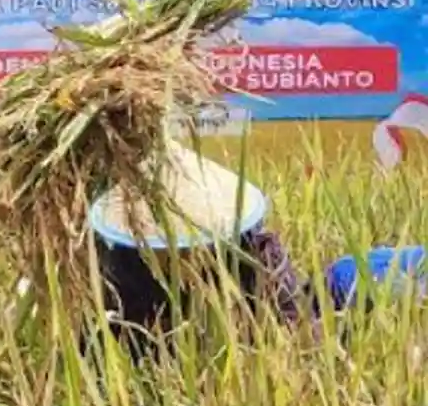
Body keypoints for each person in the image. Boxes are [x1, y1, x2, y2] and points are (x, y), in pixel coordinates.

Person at [88, 140, 307, 356]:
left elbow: (295, 331)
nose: (180, 256)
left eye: (188, 245)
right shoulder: (126, 266)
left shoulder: (258, 257)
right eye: (165, 248)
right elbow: (113, 339)